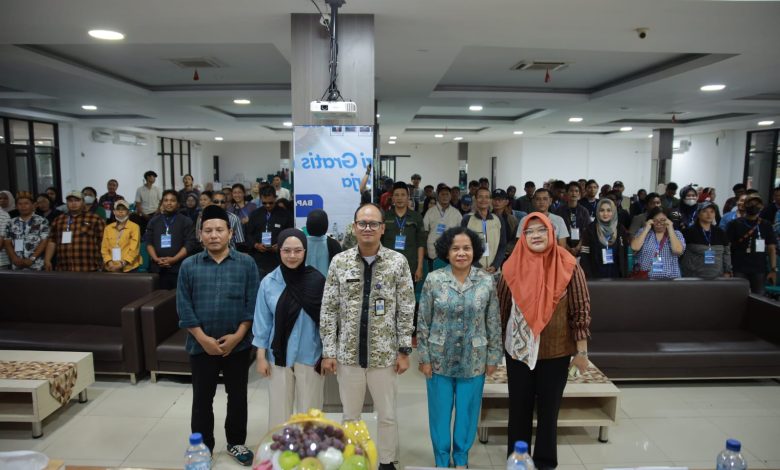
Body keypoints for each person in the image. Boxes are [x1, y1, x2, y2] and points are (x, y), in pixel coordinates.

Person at [320, 203, 415, 470]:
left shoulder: (398, 262)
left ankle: (386, 461)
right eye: (362, 223)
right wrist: (329, 351)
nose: (367, 228)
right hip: (348, 355)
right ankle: (354, 459)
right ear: (354, 227)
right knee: (350, 415)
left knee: (387, 415)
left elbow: (406, 307)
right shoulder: (339, 262)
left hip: (385, 355)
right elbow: (329, 308)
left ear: (383, 228)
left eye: (373, 223)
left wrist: (404, 350)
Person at [497, 214, 591, 468]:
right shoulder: (510, 267)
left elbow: (580, 311)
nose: (536, 235)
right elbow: (500, 312)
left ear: (551, 233)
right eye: (529, 231)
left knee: (549, 412)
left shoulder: (569, 266)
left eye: (542, 230)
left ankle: (545, 462)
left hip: (556, 352)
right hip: (518, 353)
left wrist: (581, 352)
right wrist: (494, 351)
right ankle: (518, 461)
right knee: (519, 410)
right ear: (522, 237)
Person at [177, 204, 259, 465]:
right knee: (202, 399)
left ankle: (236, 442)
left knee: (238, 397)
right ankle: (203, 448)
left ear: (230, 233)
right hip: (201, 346)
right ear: (200, 234)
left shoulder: (246, 263)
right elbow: (184, 306)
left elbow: (252, 303)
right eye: (208, 230)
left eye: (219, 230)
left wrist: (238, 335)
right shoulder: (189, 265)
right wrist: (203, 339)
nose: (214, 235)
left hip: (238, 345)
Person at [417, 226, 501, 468]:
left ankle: (462, 457)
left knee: (467, 413)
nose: (461, 253)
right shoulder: (434, 279)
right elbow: (423, 321)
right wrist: (424, 357)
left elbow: (493, 320)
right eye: (455, 248)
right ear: (447, 252)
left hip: (474, 359)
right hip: (438, 359)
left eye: (466, 248)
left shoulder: (486, 280)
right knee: (440, 414)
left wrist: (493, 357)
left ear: (475, 251)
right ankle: (442, 460)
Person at [254, 228, 326, 428]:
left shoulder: (317, 281)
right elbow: (262, 322)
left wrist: (329, 354)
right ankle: (281, 447)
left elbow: (327, 321)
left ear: (305, 251)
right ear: (279, 251)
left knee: (310, 414)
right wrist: (260, 357)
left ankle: (310, 447)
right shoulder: (269, 283)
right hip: (278, 356)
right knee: (279, 413)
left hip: (310, 354)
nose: (292, 256)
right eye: (286, 250)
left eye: (297, 250)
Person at [727, 194, 777, 295]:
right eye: (750, 203)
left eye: (757, 203)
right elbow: (727, 246)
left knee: (759, 297)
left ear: (761, 207)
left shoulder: (766, 224)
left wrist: (773, 269)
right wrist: (727, 267)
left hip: (759, 268)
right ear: (745, 205)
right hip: (738, 267)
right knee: (737, 296)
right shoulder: (734, 224)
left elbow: (771, 248)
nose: (754, 205)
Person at [145, 190, 196, 289]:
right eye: (166, 200)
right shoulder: (154, 221)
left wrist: (174, 259)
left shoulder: (186, 221)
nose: (169, 203)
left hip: (179, 268)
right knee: (158, 297)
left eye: (172, 200)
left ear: (178, 204)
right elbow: (148, 242)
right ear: (162, 203)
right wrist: (156, 259)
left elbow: (189, 244)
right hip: (157, 268)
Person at [44, 190, 106, 272]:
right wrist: (47, 259)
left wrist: (105, 261)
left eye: (77, 200)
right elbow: (52, 241)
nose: (73, 203)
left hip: (89, 267)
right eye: (70, 201)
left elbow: (103, 241)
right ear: (66, 203)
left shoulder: (94, 218)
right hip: (64, 268)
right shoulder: (58, 220)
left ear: (83, 202)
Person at [381, 182, 426, 282]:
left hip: (410, 266)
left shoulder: (416, 217)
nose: (399, 198)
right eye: (396, 195)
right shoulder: (385, 217)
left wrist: (420, 267)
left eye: (403, 195)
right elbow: (378, 242)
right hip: (388, 266)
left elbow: (421, 243)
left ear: (408, 197)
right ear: (392, 198)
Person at [246, 186, 294, 279]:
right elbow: (248, 234)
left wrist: (281, 246)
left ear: (275, 198)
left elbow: (290, 234)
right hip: (259, 260)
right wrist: (256, 245)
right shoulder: (255, 214)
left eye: (271, 203)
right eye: (264, 203)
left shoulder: (285, 214)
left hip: (278, 259)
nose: (268, 205)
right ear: (260, 199)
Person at [579, 199, 630, 278]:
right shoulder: (590, 229)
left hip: (616, 275)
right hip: (595, 276)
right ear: (597, 212)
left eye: (609, 210)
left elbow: (624, 254)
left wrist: (624, 275)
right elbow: (584, 256)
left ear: (613, 212)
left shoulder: (620, 229)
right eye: (602, 210)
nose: (605, 214)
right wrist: (589, 277)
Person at [630, 207, 686, 279]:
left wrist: (670, 228)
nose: (659, 223)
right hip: (646, 279)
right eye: (655, 220)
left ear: (668, 220)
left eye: (663, 220)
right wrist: (646, 228)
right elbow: (634, 247)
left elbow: (678, 251)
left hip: (670, 279)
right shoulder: (643, 232)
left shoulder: (676, 234)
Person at [681, 202, 732, 279]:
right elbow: (681, 254)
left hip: (718, 276)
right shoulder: (688, 232)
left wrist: (727, 271)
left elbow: (726, 253)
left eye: (712, 212)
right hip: (693, 277)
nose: (709, 214)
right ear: (698, 214)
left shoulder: (720, 232)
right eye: (705, 211)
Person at [462, 187, 507, 274]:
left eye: (487, 197)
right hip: (473, 270)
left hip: (494, 271)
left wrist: (495, 265)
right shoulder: (467, 219)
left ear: (490, 200)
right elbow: (464, 245)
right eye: (480, 197)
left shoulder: (498, 219)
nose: (483, 200)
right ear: (475, 199)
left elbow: (502, 246)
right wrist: (477, 266)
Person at [3, 191, 49, 271]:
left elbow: (44, 241)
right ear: (16, 206)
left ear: (33, 205)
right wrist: (14, 258)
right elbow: (7, 242)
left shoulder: (42, 221)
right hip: (17, 265)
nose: (23, 206)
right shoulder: (11, 222)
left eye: (26, 203)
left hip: (37, 265)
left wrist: (32, 258)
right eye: (20, 204)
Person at [423, 185, 463, 273]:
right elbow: (425, 231)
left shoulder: (456, 213)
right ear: (438, 196)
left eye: (447, 194)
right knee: (433, 275)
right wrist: (425, 248)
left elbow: (461, 233)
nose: (445, 197)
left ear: (450, 196)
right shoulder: (430, 212)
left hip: (450, 251)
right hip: (432, 250)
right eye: (442, 194)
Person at [100, 200, 142, 273]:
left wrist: (121, 264)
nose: (120, 211)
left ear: (128, 212)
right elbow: (104, 248)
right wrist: (109, 263)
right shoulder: (108, 228)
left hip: (129, 268)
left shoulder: (135, 227)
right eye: (118, 209)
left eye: (123, 209)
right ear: (114, 212)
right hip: (110, 267)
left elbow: (134, 249)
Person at [555, 182, 590, 257]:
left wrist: (578, 248)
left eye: (576, 191)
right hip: (564, 247)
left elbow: (587, 231)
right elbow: (557, 232)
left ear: (579, 194)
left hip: (581, 248)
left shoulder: (584, 211)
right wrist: (568, 248)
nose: (574, 193)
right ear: (567, 193)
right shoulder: (559, 211)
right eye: (571, 191)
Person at [304, 209, 342, 276]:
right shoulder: (334, 244)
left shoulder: (301, 243)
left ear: (307, 225)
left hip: (305, 281)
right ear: (326, 225)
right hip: (327, 281)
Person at [492, 189, 519, 260]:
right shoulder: (485, 218)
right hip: (490, 255)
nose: (497, 202)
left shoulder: (512, 220)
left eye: (500, 199)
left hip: (507, 256)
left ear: (506, 202)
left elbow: (515, 239)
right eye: (494, 199)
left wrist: (504, 250)